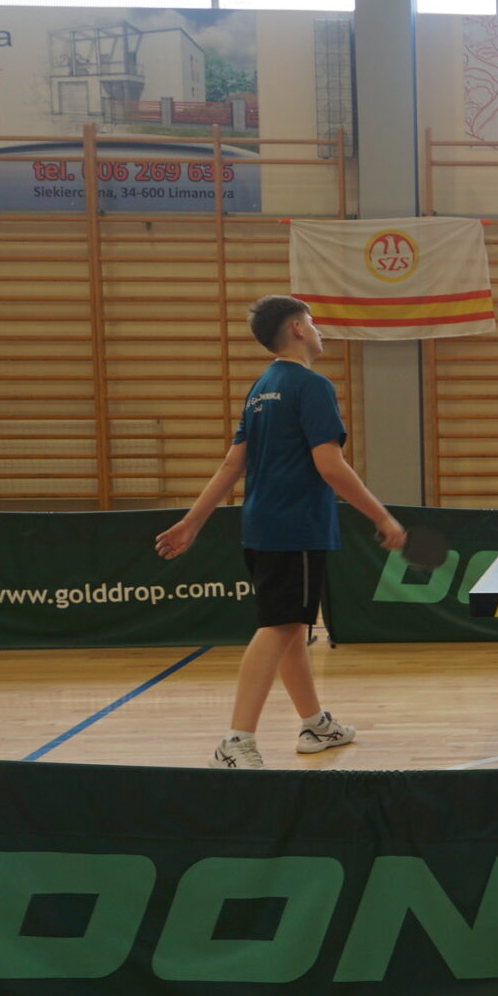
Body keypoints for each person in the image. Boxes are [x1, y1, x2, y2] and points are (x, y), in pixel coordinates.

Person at [155, 295, 405, 769]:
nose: (319, 330)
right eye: (313, 322)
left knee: (290, 627)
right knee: (280, 627)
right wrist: (381, 516)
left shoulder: (261, 387)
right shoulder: (312, 385)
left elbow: (233, 463)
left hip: (260, 525)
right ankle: (235, 741)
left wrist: (193, 521)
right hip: (296, 526)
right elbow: (330, 465)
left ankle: (315, 724)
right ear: (297, 329)